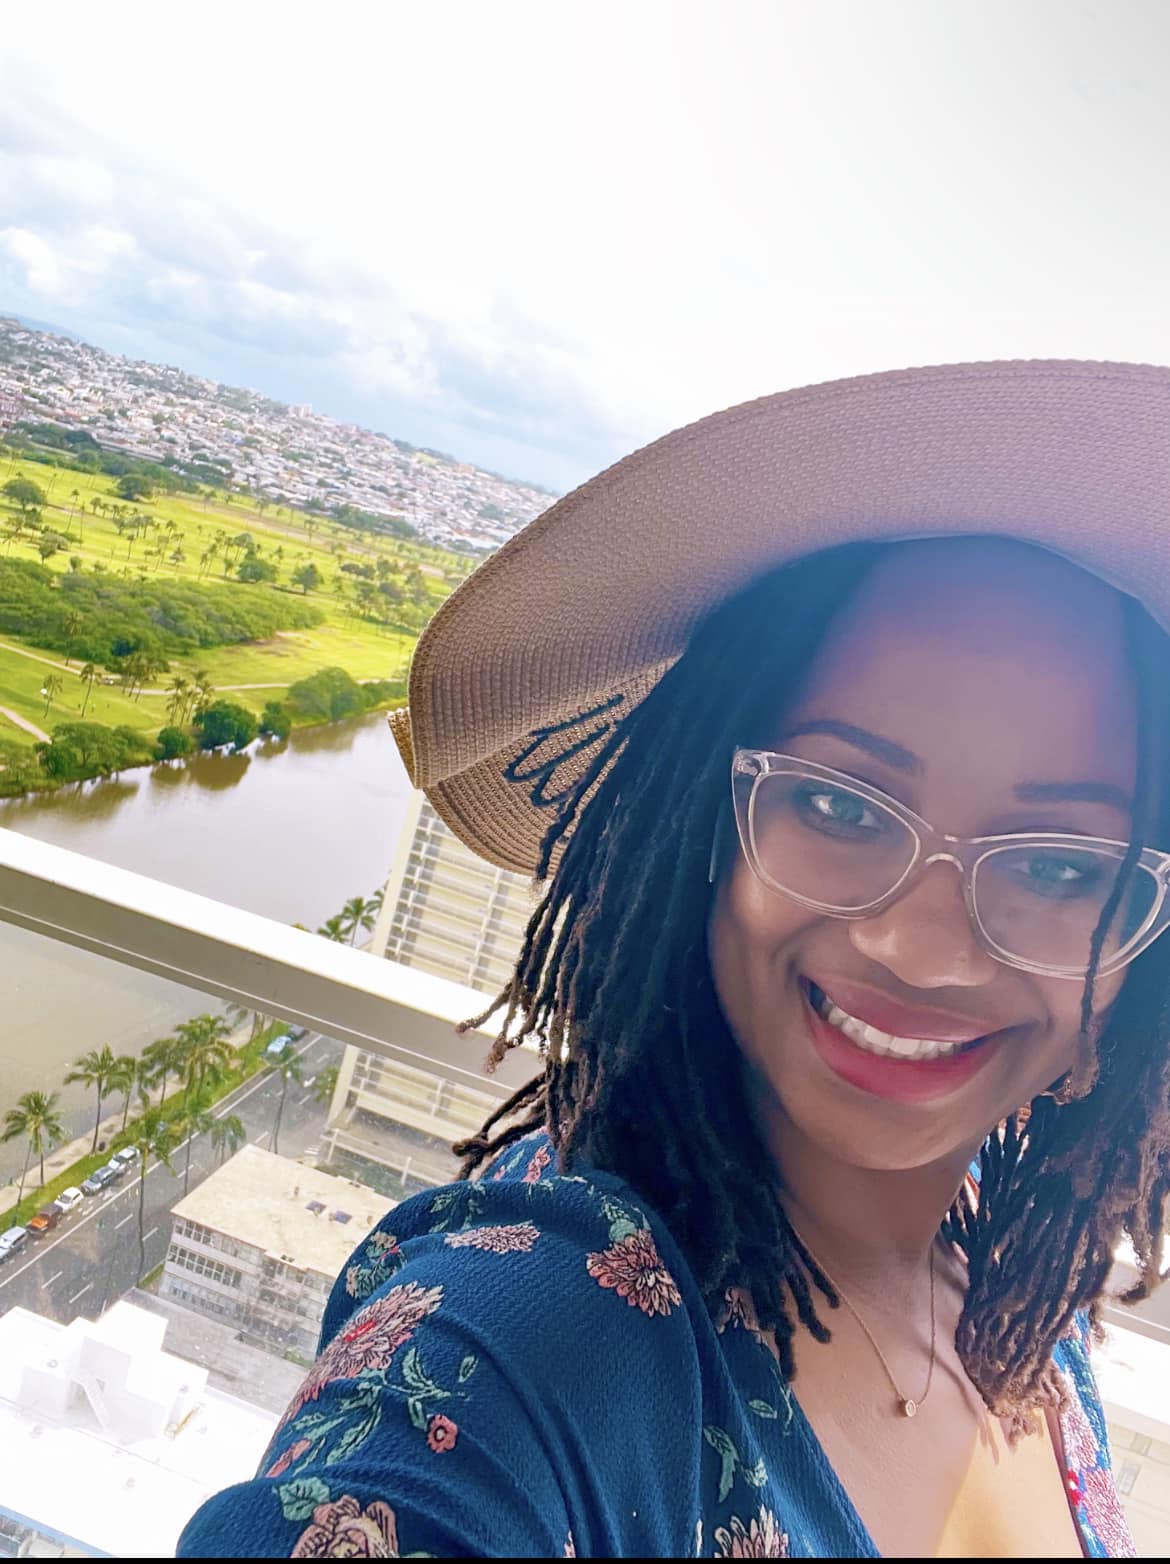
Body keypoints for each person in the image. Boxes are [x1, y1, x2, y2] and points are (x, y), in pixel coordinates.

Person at [180, 361, 1170, 1559]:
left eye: (1060, 866)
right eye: (838, 805)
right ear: (698, 825)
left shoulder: (1022, 1297)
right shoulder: (520, 1350)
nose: (918, 944)